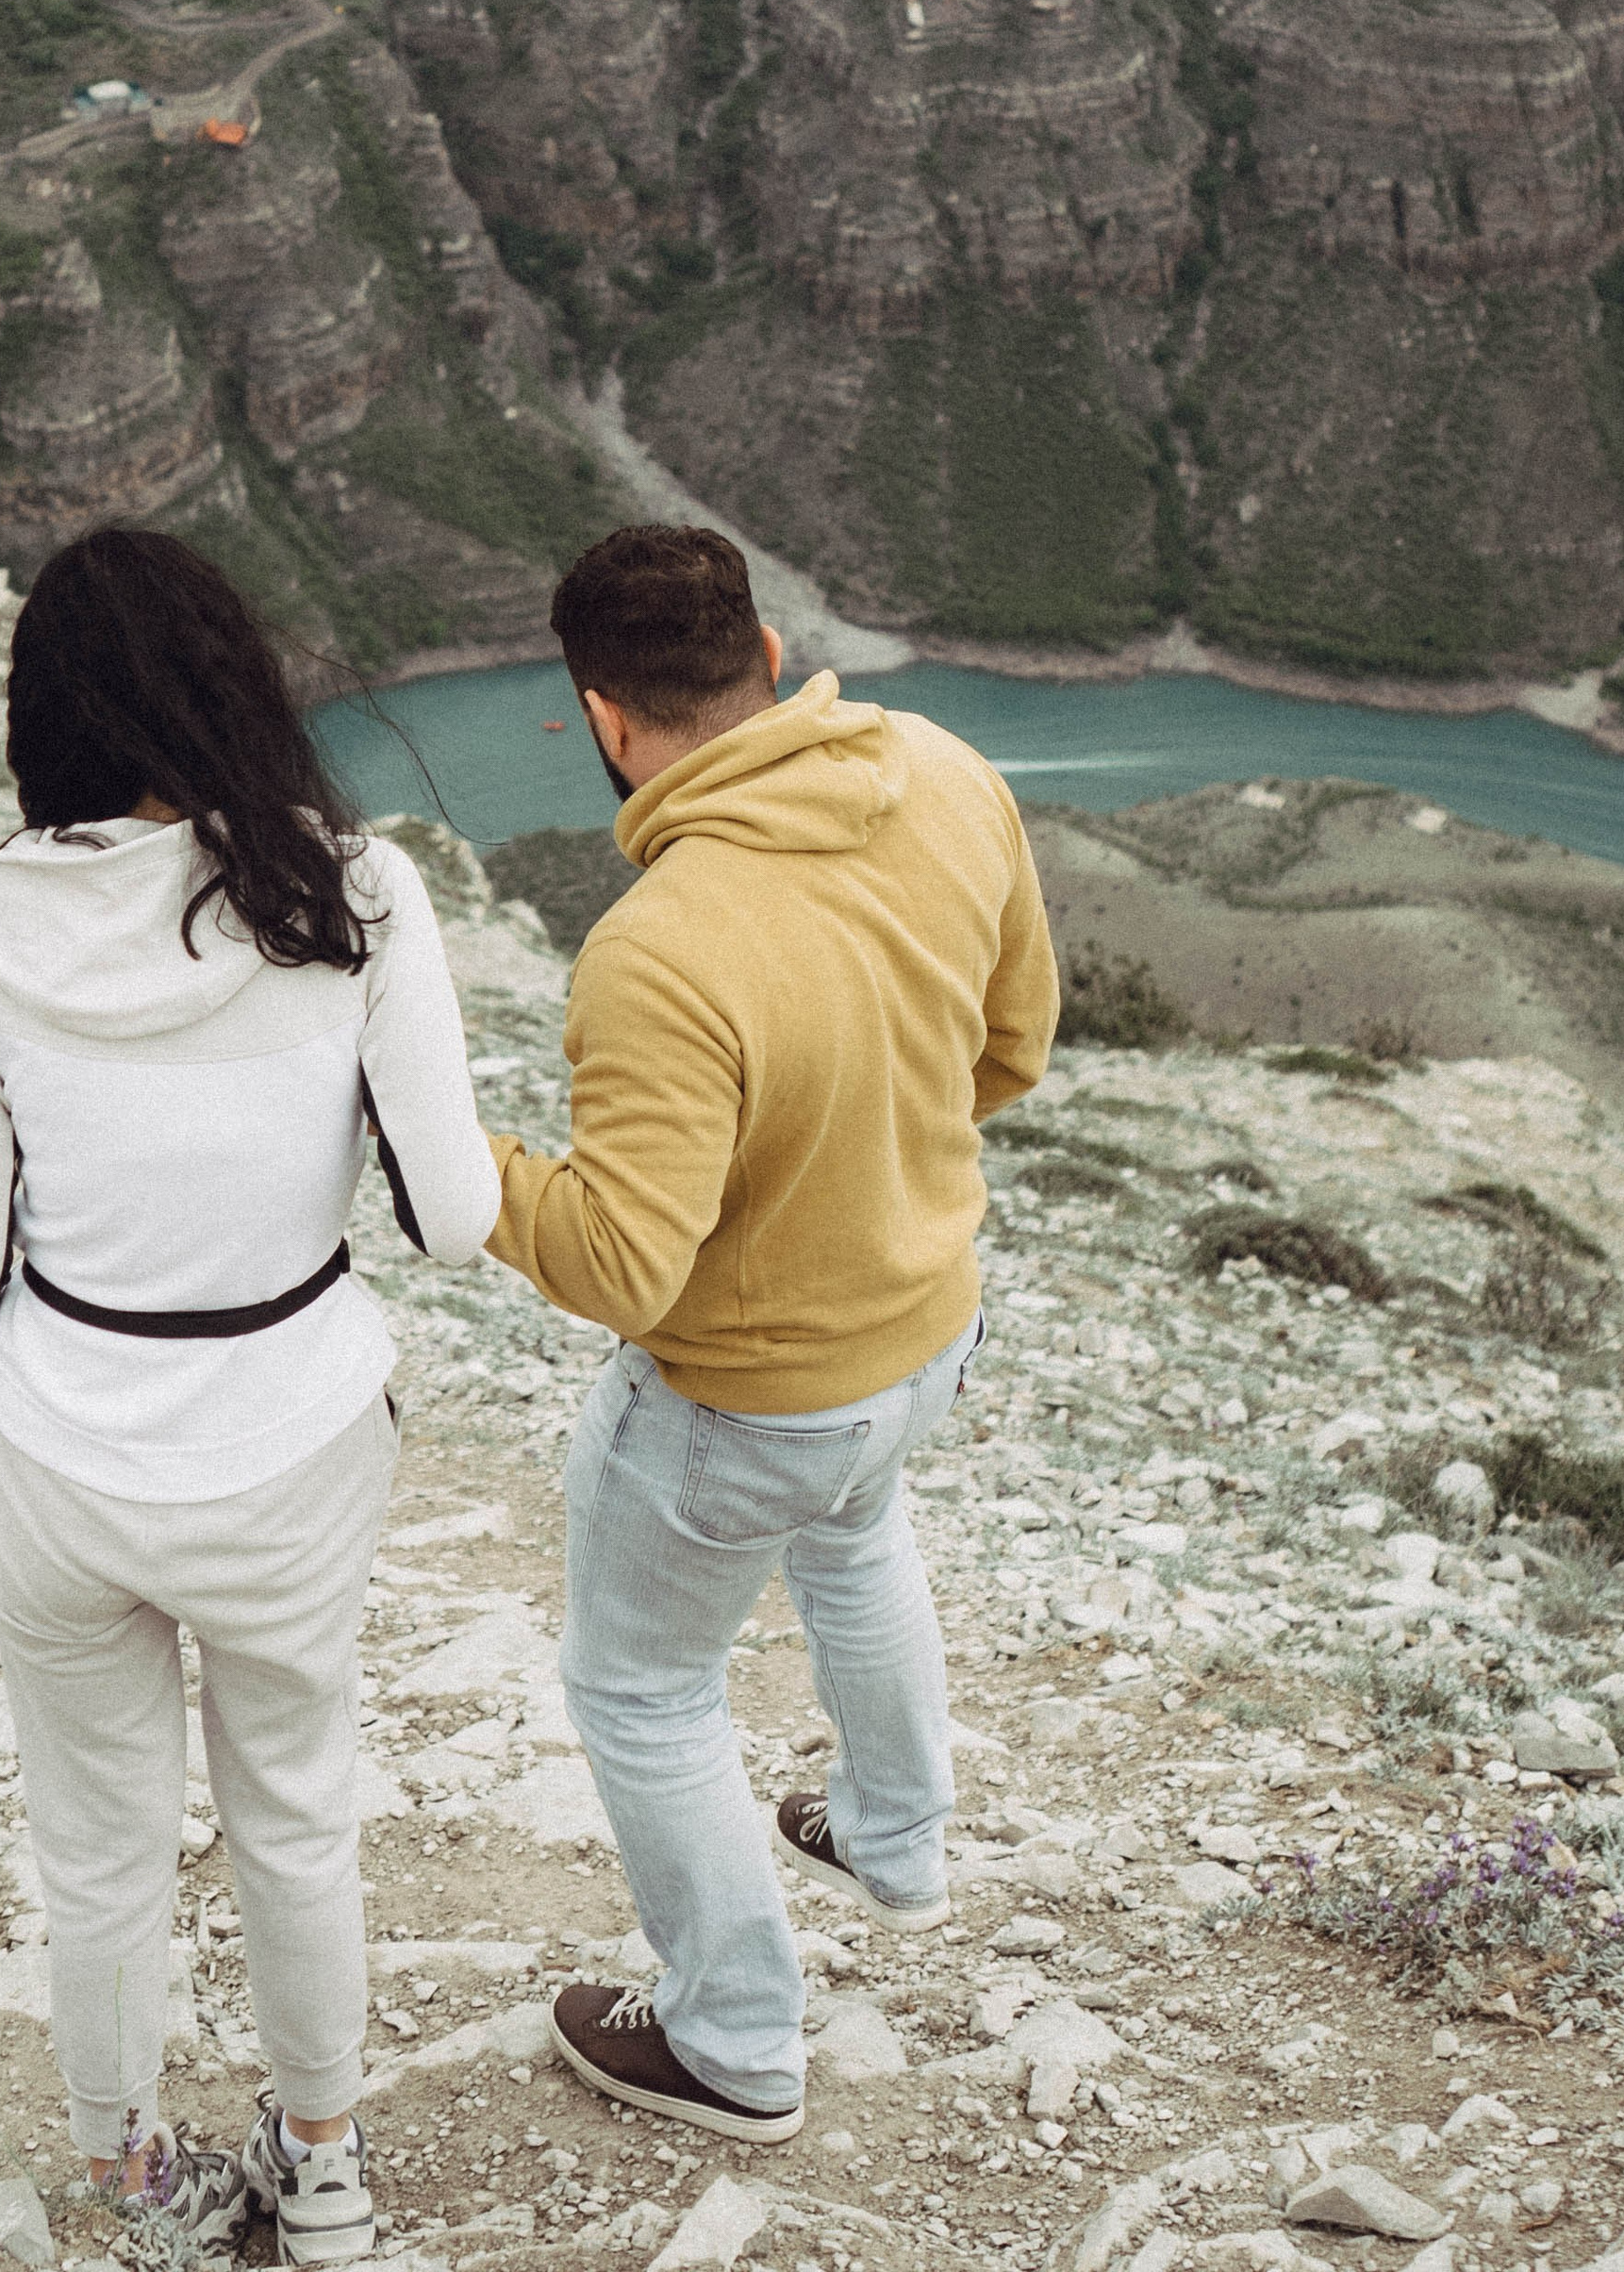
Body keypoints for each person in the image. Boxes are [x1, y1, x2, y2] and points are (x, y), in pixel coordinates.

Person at [0, 526, 499, 2261]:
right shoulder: (354, 894)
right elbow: (457, 1218)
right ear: (236, 682)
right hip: (292, 1435)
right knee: (296, 1817)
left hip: (58, 1439)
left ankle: (135, 2178)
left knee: (97, 1846)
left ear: (47, 715)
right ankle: (323, 2167)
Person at [485, 526, 1057, 2142]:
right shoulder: (947, 772)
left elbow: (620, 1266)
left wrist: (464, 1166)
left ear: (606, 719)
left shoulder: (660, 947)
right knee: (858, 1536)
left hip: (748, 1409)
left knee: (642, 1692)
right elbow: (1011, 1048)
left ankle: (735, 2039)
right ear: (773, 655)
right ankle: (896, 1838)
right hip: (924, 1336)